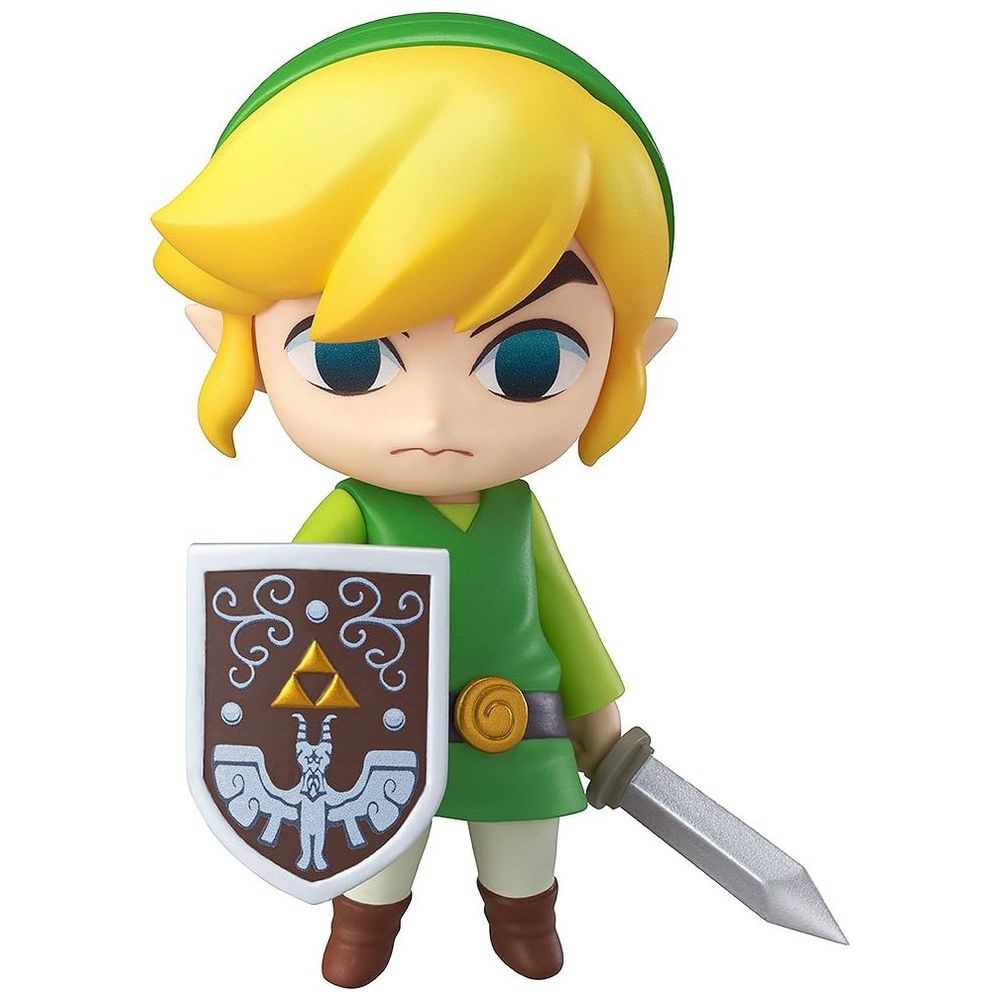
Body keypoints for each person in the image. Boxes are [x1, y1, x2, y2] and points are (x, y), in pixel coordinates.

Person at [153, 13, 675, 987]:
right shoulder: (357, 512)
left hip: (520, 723)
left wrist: (596, 710)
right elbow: (283, 620)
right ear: (232, 338)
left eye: (526, 360)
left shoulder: (516, 512)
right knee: (375, 855)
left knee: (523, 847)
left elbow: (562, 610)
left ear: (629, 354)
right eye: (350, 358)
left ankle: (523, 922)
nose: (432, 417)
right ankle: (362, 930)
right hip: (362, 742)